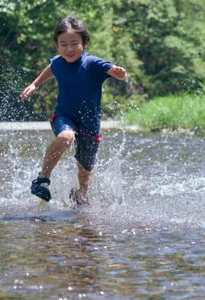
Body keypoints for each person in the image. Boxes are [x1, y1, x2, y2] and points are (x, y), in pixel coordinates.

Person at [21, 15, 127, 205]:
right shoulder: (58, 62)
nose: (69, 49)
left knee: (84, 171)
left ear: (85, 42)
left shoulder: (93, 63)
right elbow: (52, 68)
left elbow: (113, 70)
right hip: (63, 115)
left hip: (90, 124)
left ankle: (81, 195)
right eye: (63, 44)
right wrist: (35, 84)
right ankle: (42, 179)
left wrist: (119, 73)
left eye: (74, 43)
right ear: (56, 45)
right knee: (66, 137)